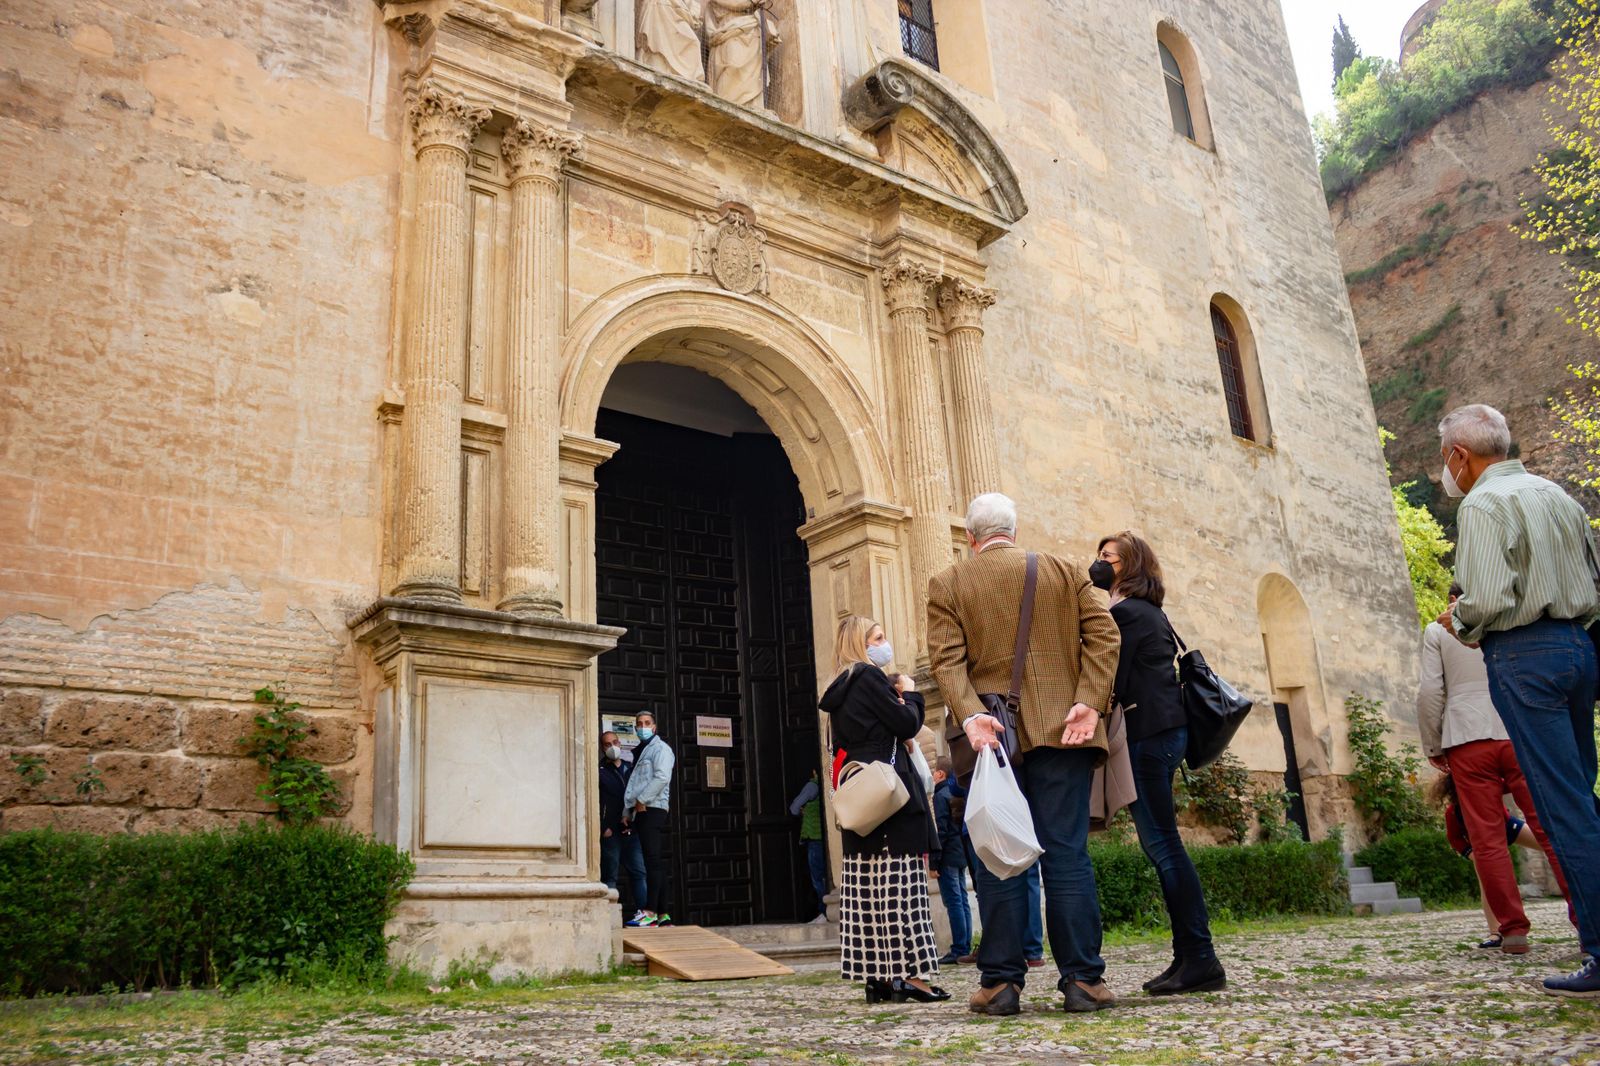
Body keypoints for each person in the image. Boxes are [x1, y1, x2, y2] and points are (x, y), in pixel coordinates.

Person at [928, 492, 1121, 1017]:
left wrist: (970, 716)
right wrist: (1088, 701)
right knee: (1067, 854)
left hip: (993, 740)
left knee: (998, 858)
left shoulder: (949, 583)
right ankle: (1083, 981)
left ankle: (1001, 986)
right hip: (1066, 733)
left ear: (971, 537)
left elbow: (946, 661)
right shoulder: (1062, 570)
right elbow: (1104, 635)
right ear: (1013, 530)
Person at [1436, 403, 1600, 997]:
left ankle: (1599, 949)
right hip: (1579, 647)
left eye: (1444, 459)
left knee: (1561, 810)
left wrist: (1460, 618)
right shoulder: (1558, 495)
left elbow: (1486, 596)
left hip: (1524, 654)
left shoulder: (1481, 503)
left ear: (1460, 454)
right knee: (1581, 794)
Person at [1091, 531, 1224, 994]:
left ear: (1128, 567)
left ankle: (1200, 958)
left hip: (1151, 736)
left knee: (1164, 847)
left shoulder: (1126, 613)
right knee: (1163, 846)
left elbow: (1112, 679)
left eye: (1108, 558)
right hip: (1163, 733)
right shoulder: (1151, 612)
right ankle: (1189, 956)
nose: (1099, 564)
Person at [1418, 582, 1571, 955]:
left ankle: (1512, 930)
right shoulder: (1513, 619)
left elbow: (1429, 692)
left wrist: (1434, 745)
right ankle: (1588, 919)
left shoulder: (1440, 630)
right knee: (1550, 828)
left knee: (1487, 840)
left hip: (1467, 736)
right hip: (1518, 729)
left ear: (1453, 601)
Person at [820, 615, 947, 1004]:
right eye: (877, 637)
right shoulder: (870, 678)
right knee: (903, 891)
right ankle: (910, 977)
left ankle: (877, 977)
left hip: (862, 800)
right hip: (890, 799)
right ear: (861, 644)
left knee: (867, 895)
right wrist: (911, 693)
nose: (884, 642)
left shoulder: (838, 690)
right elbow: (907, 724)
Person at [1430, 772, 1560, 948]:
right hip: (1481, 847)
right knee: (1488, 884)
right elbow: (1455, 839)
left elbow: (1510, 783)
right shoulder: (1453, 812)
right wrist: (1472, 854)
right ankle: (1495, 933)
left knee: (1552, 844)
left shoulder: (1488, 790)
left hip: (1508, 828)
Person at [622, 710, 676, 928]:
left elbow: (662, 777)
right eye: (639, 724)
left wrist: (642, 801)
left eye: (647, 723)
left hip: (652, 808)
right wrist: (627, 812)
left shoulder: (661, 749)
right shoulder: (642, 750)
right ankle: (663, 915)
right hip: (642, 809)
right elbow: (634, 783)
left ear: (654, 727)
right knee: (654, 861)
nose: (642, 727)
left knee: (651, 861)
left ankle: (650, 912)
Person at [599, 730, 648, 921]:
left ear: (620, 744)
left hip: (632, 831)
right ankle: (610, 920)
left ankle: (644, 916)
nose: (612, 747)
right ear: (602, 748)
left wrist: (636, 823)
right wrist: (604, 828)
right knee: (610, 876)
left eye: (615, 742)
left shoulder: (630, 769)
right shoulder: (599, 772)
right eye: (607, 744)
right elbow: (596, 803)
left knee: (639, 873)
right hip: (612, 833)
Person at [932, 756, 973, 966]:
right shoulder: (955, 791)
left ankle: (959, 948)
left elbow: (941, 830)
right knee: (963, 900)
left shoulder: (940, 795)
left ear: (940, 774)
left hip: (948, 853)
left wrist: (934, 862)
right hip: (961, 851)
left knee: (954, 901)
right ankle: (964, 944)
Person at [788, 769, 829, 922]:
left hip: (814, 838)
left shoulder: (812, 786)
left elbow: (794, 808)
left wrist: (802, 811)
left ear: (813, 772)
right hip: (822, 837)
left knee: (818, 878)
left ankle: (824, 912)